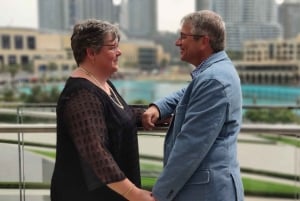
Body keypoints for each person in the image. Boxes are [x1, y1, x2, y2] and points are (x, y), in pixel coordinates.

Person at [142, 10, 244, 201]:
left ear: (204, 41)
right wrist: (159, 107)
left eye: (183, 37)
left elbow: (190, 146)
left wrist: (158, 196)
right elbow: (187, 93)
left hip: (208, 193)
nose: (177, 43)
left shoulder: (213, 79)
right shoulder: (215, 72)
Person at [50, 19, 155, 201]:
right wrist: (134, 194)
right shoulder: (81, 95)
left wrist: (156, 113)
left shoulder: (102, 84)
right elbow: (95, 153)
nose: (119, 52)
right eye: (112, 47)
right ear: (91, 52)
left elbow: (120, 115)